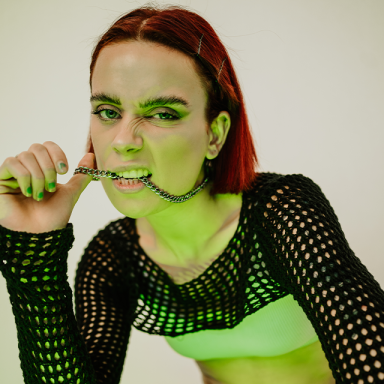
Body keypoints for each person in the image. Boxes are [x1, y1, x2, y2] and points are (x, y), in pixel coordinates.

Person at [0, 4, 383, 384]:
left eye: (163, 113)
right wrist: (34, 255)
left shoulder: (281, 210)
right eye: (108, 111)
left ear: (214, 134)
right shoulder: (114, 256)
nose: (122, 141)